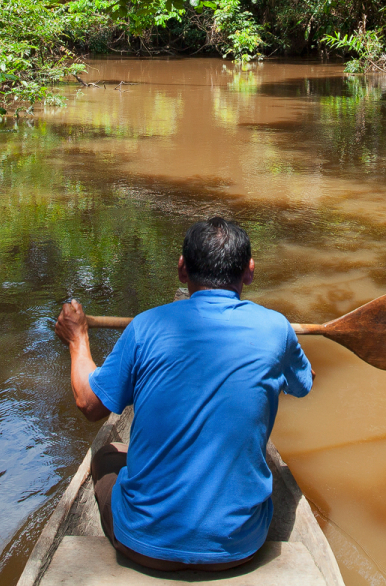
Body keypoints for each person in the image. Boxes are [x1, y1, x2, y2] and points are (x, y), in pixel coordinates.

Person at [53, 216, 314, 572]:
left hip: (143, 547)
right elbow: (303, 385)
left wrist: (77, 340)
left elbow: (88, 402)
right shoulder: (276, 330)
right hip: (239, 548)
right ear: (249, 271)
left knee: (107, 455)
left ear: (181, 270)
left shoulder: (147, 326)